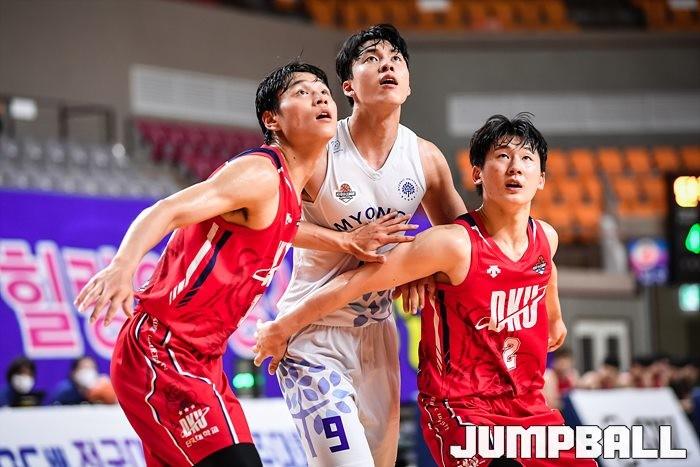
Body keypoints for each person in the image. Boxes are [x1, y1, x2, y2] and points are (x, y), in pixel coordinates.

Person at [256, 114, 596, 466]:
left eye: (526, 159)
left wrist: (555, 317)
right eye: (502, 156)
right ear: (477, 173)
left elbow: (547, 268)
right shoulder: (452, 244)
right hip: (462, 408)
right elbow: (358, 282)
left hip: (526, 405)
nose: (515, 168)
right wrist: (284, 326)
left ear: (541, 179)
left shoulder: (546, 237)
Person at [74, 61, 337, 467]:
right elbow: (167, 210)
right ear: (272, 119)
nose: (319, 96)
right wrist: (122, 266)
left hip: (203, 361)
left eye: (323, 90)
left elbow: (287, 229)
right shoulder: (260, 173)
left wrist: (347, 242)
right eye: (302, 91)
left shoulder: (287, 193)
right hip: (163, 350)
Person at [272, 24, 466, 467]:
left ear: (409, 84)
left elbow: (464, 243)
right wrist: (343, 240)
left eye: (396, 59)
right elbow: (269, 221)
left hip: (377, 336)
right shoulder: (319, 147)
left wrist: (423, 269)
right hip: (311, 333)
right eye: (372, 59)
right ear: (348, 86)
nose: (387, 65)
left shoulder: (425, 158)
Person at [49, 356, 116, 405]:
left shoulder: (102, 387)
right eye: (84, 368)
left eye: (91, 368)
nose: (88, 372)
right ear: (74, 372)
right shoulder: (64, 390)